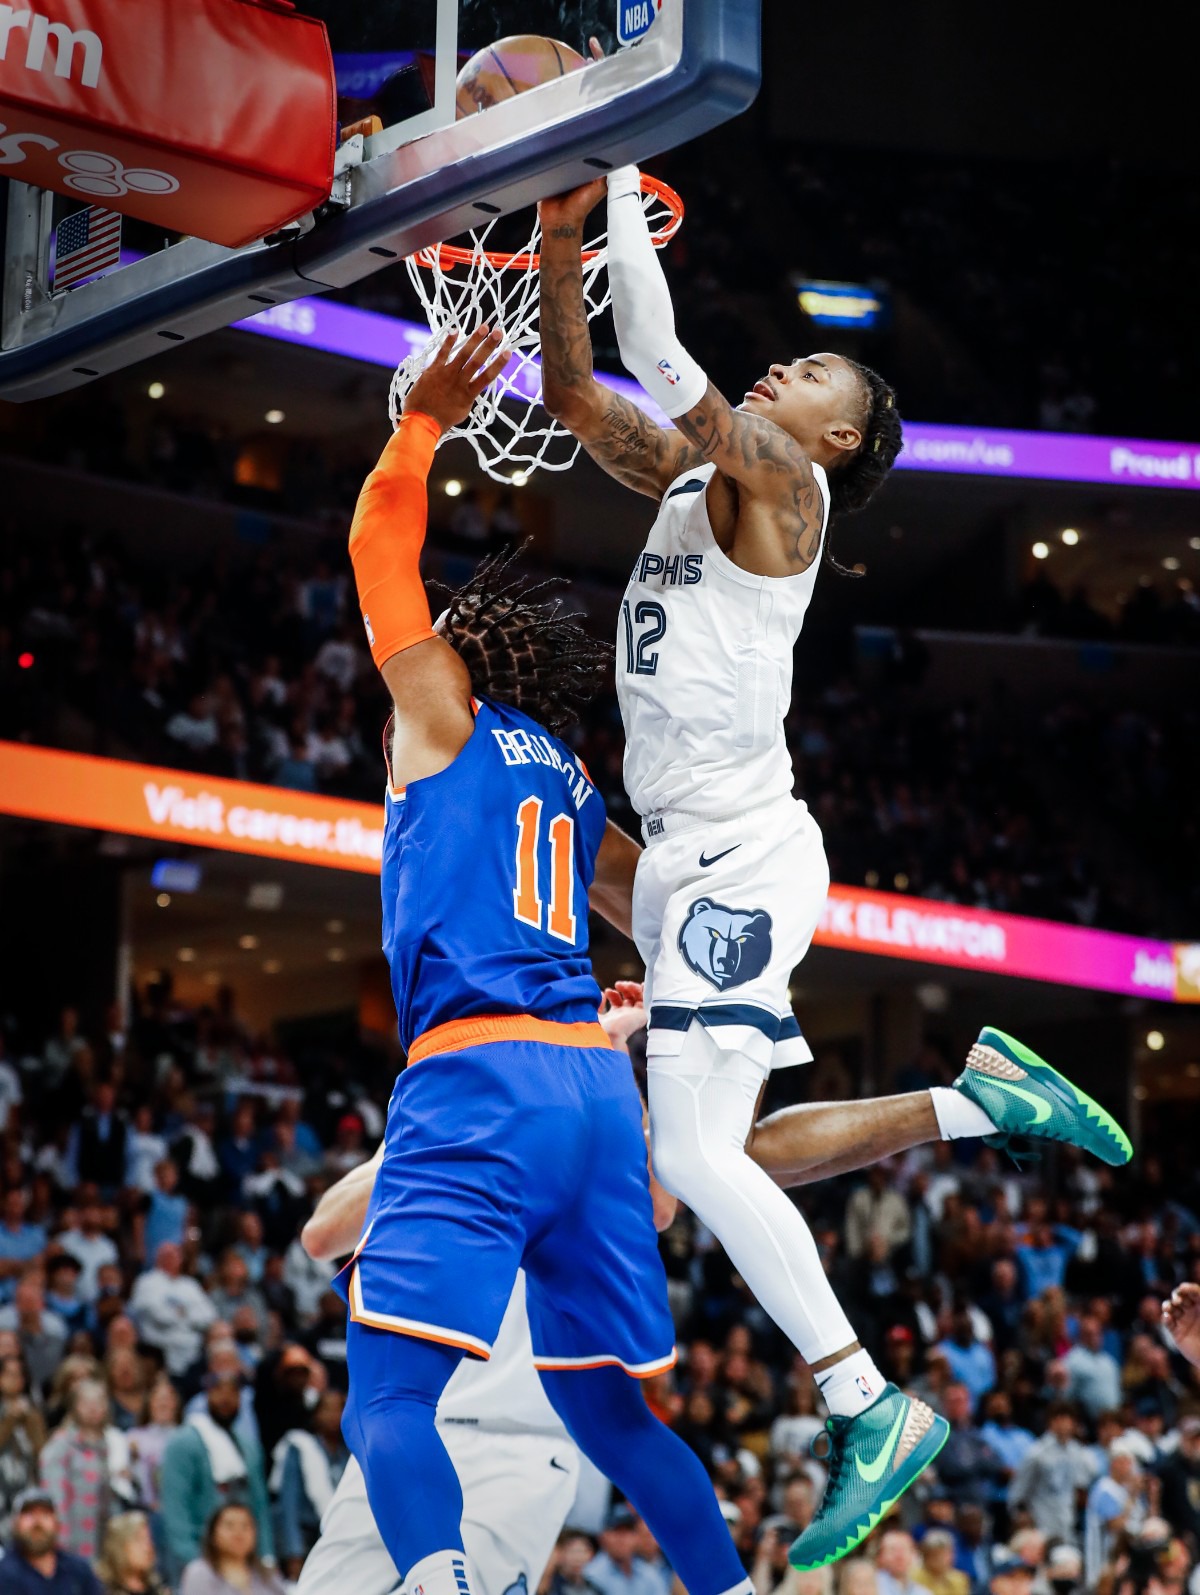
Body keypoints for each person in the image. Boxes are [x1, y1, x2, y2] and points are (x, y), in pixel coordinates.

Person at [536, 172, 1134, 1572]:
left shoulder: (790, 492)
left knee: (684, 1150)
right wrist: (556, 240)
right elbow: (576, 389)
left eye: (809, 371)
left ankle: (868, 1399)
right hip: (689, 860)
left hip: (745, 853)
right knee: (722, 1153)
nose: (782, 369)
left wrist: (614, 183)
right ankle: (976, 1102)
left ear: (837, 432)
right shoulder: (696, 481)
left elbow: (662, 358)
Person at [336, 326, 757, 1595]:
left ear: (461, 654)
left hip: (483, 1075)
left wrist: (417, 425)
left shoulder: (440, 718)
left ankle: (438, 1578)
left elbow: (373, 551)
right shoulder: (571, 784)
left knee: (389, 1397)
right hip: (591, 1090)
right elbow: (654, 902)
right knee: (615, 1418)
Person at [296, 993, 664, 1595]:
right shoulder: (439, 1135)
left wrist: (609, 1064)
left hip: (521, 1443)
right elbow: (320, 1234)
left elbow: (659, 1208)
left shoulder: (603, 1126)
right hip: (414, 1424)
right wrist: (428, 1142)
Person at [158, 1370, 273, 1580]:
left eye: (233, 1392)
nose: (226, 1399)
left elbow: (259, 1506)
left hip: (244, 1563)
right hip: (200, 1558)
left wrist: (266, 1557)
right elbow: (176, 1509)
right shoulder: (184, 1442)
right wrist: (193, 1561)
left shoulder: (249, 1446)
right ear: (207, 1395)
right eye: (219, 1391)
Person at [37, 1378, 137, 1562]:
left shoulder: (111, 1445)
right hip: (72, 1543)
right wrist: (60, 1545)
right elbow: (54, 1497)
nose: (93, 1408)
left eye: (99, 1401)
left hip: (105, 1540)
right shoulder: (61, 1446)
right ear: (75, 1406)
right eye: (86, 1402)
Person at [269, 1390, 348, 1580]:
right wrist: (293, 1552)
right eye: (326, 1409)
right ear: (316, 1414)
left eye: (339, 1409)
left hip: (339, 1540)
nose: (333, 1416)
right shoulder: (301, 1447)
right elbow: (289, 1504)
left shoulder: (350, 1453)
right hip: (306, 1539)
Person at [1007, 1402, 1096, 1545]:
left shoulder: (1077, 1452)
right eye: (1058, 1419)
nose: (1063, 1425)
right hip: (1041, 1522)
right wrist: (1022, 1516)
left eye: (1067, 1420)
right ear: (1050, 1423)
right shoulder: (1037, 1453)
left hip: (1066, 1522)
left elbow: (1081, 1486)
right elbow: (1018, 1490)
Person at [128, 1243, 217, 1377]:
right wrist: (188, 1315)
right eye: (166, 1255)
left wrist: (181, 1313)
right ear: (157, 1258)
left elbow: (209, 1316)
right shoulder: (146, 1282)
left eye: (175, 1255)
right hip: (159, 1354)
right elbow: (160, 1317)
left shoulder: (190, 1285)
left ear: (181, 1259)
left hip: (192, 1355)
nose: (171, 1259)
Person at [0, 1486, 104, 1595]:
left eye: (45, 1513)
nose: (37, 1522)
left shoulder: (79, 1571)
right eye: (29, 1513)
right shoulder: (3, 1573)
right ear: (14, 1523)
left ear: (57, 1523)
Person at [178, 1503, 283, 1595]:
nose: (238, 1533)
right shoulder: (199, 1573)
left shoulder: (267, 1573)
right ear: (213, 1534)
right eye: (229, 1526)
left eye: (245, 1526)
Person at [0, 1355, 46, 1542]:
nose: (14, 1379)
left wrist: (31, 1421)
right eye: (9, 1374)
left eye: (19, 1375)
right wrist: (9, 1420)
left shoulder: (33, 1412)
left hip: (26, 1489)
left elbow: (43, 1452)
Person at [585, 1505, 663, 1595]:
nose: (622, 1539)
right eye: (616, 1531)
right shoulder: (591, 1575)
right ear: (603, 1537)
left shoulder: (649, 1574)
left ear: (636, 1537)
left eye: (627, 1532)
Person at [94, 1511, 169, 1595]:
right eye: (140, 1540)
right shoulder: (97, 1586)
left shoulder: (157, 1587)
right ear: (120, 1545)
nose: (148, 1548)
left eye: (149, 1540)